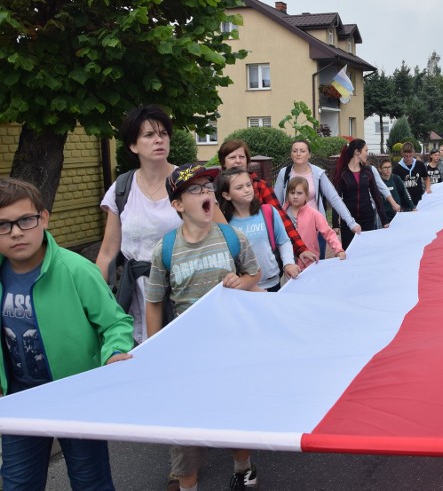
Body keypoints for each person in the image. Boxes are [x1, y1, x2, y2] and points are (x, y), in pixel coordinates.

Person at [0, 178, 133, 491]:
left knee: (91, 482)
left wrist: (114, 352)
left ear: (43, 218)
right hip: (21, 401)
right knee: (18, 483)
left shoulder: (76, 270)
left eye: (25, 220)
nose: (16, 232)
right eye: (3, 225)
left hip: (77, 397)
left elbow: (115, 323)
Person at [145, 163, 261, 491]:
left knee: (233, 415)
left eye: (208, 188)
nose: (206, 193)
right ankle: (187, 485)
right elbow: (154, 302)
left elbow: (254, 274)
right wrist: (155, 349)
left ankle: (243, 468)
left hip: (230, 349)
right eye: (195, 190)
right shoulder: (165, 249)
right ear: (178, 204)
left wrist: (240, 281)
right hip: (185, 356)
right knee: (183, 429)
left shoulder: (230, 237)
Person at [96, 104, 182, 344]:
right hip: (135, 293)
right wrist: (97, 301)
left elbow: (223, 235)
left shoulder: (187, 183)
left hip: (181, 292)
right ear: (133, 145)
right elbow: (107, 252)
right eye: (149, 135)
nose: (159, 140)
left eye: (163, 133)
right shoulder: (122, 187)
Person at [218, 140, 315, 268]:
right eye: (232, 157)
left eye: (242, 157)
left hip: (266, 264)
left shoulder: (259, 185)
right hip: (233, 268)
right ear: (223, 162)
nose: (238, 161)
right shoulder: (215, 190)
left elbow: (281, 219)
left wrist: (301, 248)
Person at [273, 139, 361, 258]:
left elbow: (334, 199)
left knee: (316, 263)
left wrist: (351, 223)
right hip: (290, 230)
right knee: (293, 267)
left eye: (302, 151)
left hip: (315, 229)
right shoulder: (285, 173)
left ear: (309, 154)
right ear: (291, 154)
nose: (298, 153)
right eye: (295, 151)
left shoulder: (318, 173)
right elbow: (275, 202)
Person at [217, 168, 300, 291]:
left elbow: (283, 241)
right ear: (227, 195)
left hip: (273, 283)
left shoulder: (268, 212)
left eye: (248, 184)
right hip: (244, 289)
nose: (246, 190)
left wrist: (288, 263)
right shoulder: (225, 224)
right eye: (239, 187)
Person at [333, 140, 389, 249]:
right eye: (366, 150)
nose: (367, 153)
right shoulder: (342, 173)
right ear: (357, 152)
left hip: (367, 218)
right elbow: (336, 199)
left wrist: (384, 220)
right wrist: (335, 223)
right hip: (348, 220)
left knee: (367, 251)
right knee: (350, 252)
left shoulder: (368, 172)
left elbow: (376, 195)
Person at [284, 176, 345, 268]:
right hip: (289, 263)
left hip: (309, 262)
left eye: (299, 193)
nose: (295, 196)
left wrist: (338, 249)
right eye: (292, 193)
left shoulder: (313, 214)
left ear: (306, 196)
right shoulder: (281, 214)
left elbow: (328, 233)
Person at [393, 142, 431, 206]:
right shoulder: (397, 168)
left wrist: (427, 188)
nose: (408, 158)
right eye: (406, 156)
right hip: (404, 203)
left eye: (410, 155)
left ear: (413, 152)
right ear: (402, 153)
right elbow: (394, 185)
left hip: (419, 201)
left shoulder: (420, 164)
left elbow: (426, 178)